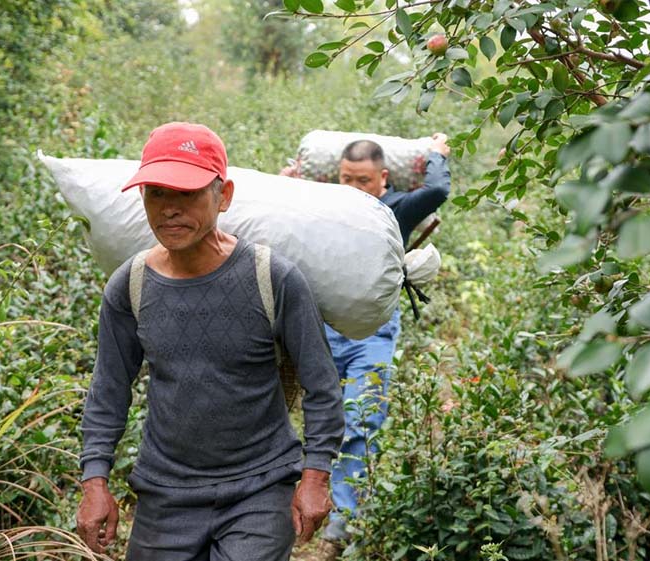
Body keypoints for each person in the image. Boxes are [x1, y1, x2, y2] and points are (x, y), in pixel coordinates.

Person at [76, 122, 345, 561]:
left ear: (224, 196)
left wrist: (314, 479)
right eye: (157, 194)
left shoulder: (272, 279)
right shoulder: (132, 285)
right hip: (164, 496)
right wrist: (95, 482)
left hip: (260, 488)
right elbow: (108, 389)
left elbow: (322, 386)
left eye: (187, 193)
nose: (169, 209)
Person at [319, 133, 451, 552]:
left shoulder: (395, 208)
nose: (353, 189)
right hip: (323, 328)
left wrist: (437, 154)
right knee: (320, 422)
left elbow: (438, 190)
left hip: (372, 332)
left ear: (383, 178)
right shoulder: (326, 203)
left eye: (362, 180)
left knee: (360, 421)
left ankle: (343, 527)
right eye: (346, 179)